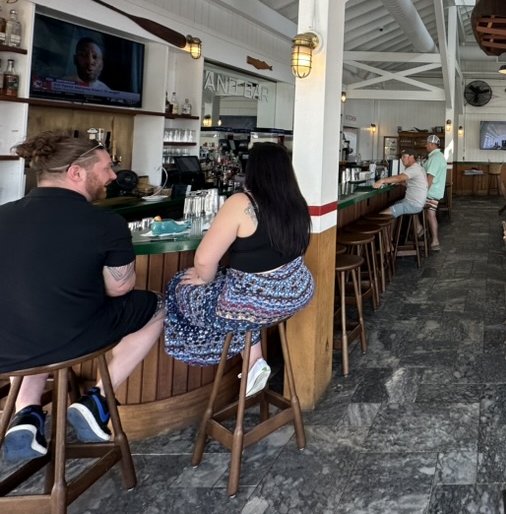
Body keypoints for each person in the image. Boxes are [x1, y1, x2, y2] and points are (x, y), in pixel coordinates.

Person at [0, 131, 164, 461]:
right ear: (76, 172)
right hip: (71, 338)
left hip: (7, 347)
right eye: (106, 168)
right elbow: (119, 288)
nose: (113, 176)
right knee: (158, 305)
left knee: (30, 310)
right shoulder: (105, 222)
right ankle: (97, 400)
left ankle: (26, 415)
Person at [163, 143, 313, 396]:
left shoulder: (242, 202)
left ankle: (250, 363)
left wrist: (203, 279)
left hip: (258, 302)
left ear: (252, 169)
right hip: (297, 292)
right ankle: (254, 362)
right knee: (241, 303)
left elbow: (204, 260)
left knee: (181, 285)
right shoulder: (296, 201)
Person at [372, 148, 427, 218]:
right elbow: (413, 184)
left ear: (411, 157)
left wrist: (382, 180)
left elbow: (399, 178)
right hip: (415, 203)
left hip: (412, 205)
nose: (402, 159)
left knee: (382, 215)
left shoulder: (413, 169)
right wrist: (402, 183)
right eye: (401, 157)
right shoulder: (417, 167)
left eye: (404, 157)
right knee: (395, 204)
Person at [421, 134, 448, 252]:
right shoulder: (438, 156)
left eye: (427, 144)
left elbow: (430, 178)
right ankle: (431, 238)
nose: (425, 146)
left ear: (432, 144)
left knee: (409, 205)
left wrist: (422, 192)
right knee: (429, 214)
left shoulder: (435, 158)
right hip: (434, 191)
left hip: (431, 192)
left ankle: (423, 232)